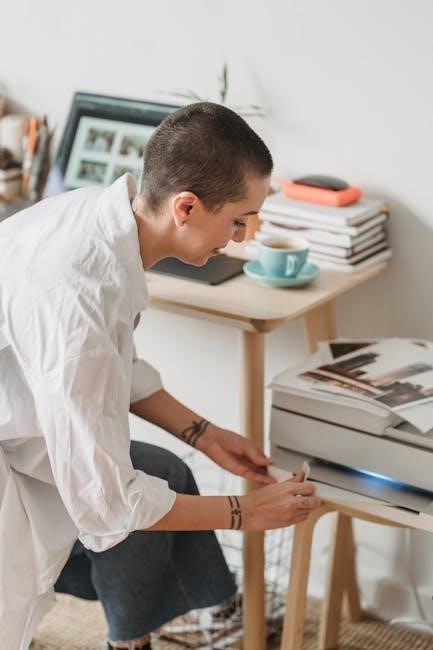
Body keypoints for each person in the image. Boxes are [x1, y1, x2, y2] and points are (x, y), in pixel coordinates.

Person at [0, 102, 321, 650]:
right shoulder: (75, 291)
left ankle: (164, 628)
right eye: (238, 220)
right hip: (13, 455)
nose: (241, 238)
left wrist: (206, 434)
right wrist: (244, 513)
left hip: (26, 424)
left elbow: (111, 366)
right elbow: (108, 505)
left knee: (163, 473)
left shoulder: (101, 221)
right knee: (127, 505)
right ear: (186, 206)